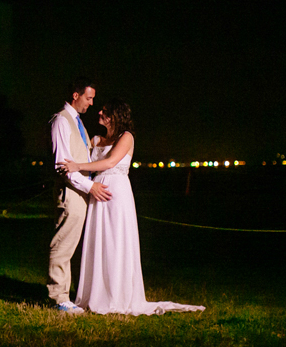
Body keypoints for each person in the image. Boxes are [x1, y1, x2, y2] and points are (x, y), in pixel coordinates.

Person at [59, 99, 205, 315]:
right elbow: (87, 160)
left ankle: (116, 295)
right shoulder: (96, 139)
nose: (99, 111)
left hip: (116, 194)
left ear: (115, 116)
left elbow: (109, 163)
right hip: (96, 192)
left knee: (116, 242)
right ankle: (95, 294)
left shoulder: (126, 138)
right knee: (98, 242)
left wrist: (77, 166)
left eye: (105, 111)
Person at [48, 77, 112, 313]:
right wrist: (90, 187)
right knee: (62, 244)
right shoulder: (61, 122)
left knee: (73, 246)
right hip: (71, 193)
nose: (92, 103)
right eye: (89, 98)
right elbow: (62, 166)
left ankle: (67, 294)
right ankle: (58, 297)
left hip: (81, 193)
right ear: (76, 96)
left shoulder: (78, 123)